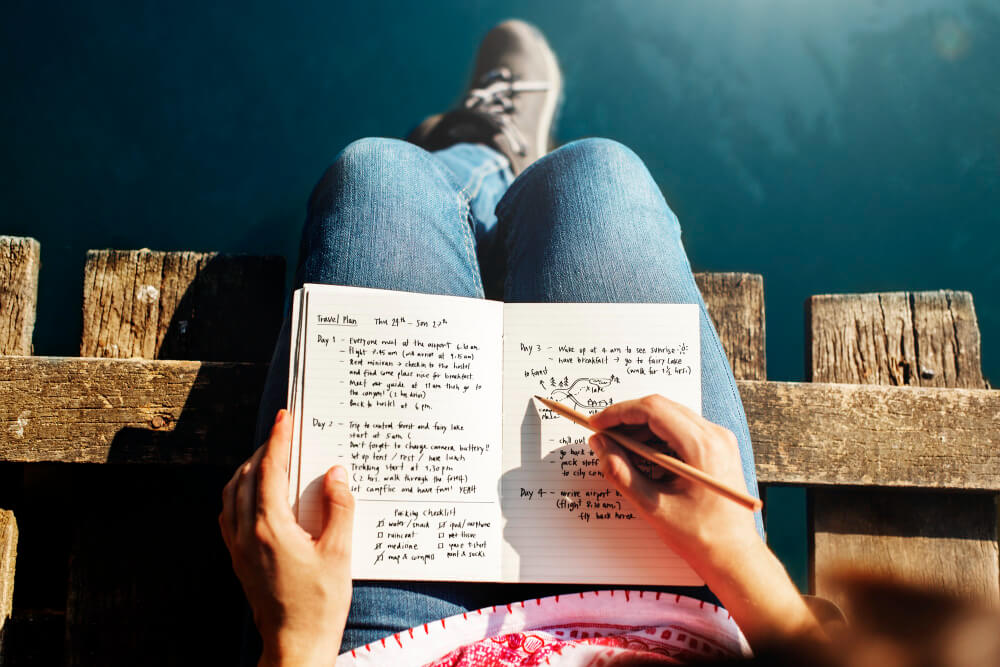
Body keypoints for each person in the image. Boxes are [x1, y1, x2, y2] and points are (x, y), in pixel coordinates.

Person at [219, 19, 824, 665]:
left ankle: (471, 149)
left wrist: (297, 641)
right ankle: (505, 165)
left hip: (391, 644)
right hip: (671, 618)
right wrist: (740, 555)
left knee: (376, 172)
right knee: (595, 172)